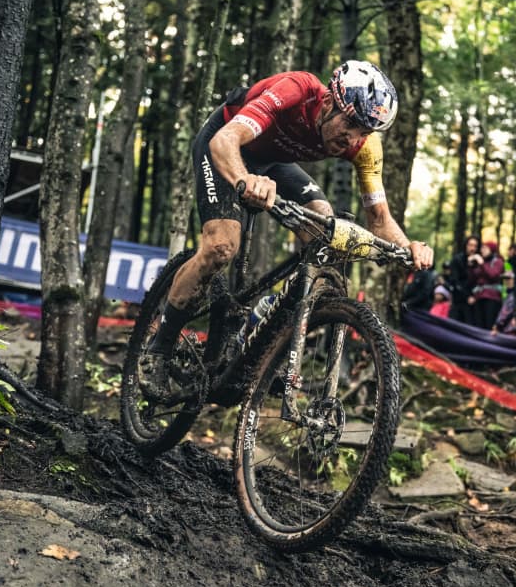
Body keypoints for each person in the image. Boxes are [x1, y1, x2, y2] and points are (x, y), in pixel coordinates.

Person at [145, 61, 433, 383]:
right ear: (327, 103)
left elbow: (379, 219)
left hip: (273, 162)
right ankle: (160, 345)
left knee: (325, 229)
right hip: (226, 143)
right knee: (221, 246)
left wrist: (407, 247)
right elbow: (224, 141)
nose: (354, 139)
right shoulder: (296, 91)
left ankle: (260, 323)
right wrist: (244, 180)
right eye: (350, 124)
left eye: (365, 132)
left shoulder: (365, 146)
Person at [467, 241, 504, 330]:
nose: (482, 250)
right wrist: (471, 266)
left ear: (491, 250)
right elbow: (473, 279)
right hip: (479, 297)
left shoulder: (498, 261)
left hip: (492, 298)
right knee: (478, 325)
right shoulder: (482, 263)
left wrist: (481, 263)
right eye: (481, 248)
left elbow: (493, 275)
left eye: (485, 248)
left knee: (489, 324)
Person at [448, 236, 480, 324]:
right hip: (459, 300)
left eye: (475, 246)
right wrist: (467, 296)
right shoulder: (457, 259)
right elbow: (454, 281)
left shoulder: (478, 261)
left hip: (474, 302)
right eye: (470, 245)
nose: (472, 248)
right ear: (466, 245)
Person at [491, 270, 516, 336]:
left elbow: (507, 311)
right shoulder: (508, 294)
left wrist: (497, 325)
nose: (507, 281)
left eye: (509, 279)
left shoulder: (514, 294)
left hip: (511, 331)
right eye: (505, 279)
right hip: (505, 330)